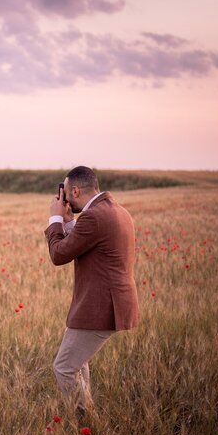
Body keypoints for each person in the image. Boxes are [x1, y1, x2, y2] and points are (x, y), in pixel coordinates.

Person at [44, 166, 139, 419]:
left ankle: (86, 425)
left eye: (66, 192)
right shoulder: (115, 210)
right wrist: (68, 221)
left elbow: (59, 254)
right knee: (78, 365)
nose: (64, 198)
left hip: (101, 306)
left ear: (74, 190)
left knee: (64, 367)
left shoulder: (95, 217)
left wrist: (54, 218)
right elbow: (82, 241)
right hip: (105, 304)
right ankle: (90, 421)